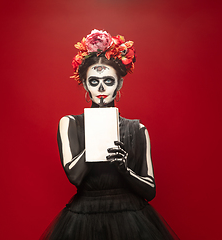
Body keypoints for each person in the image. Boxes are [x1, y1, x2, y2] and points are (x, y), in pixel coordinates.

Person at [40, 29, 178, 240]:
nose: (102, 88)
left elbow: (150, 190)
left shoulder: (137, 129)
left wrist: (125, 170)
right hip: (84, 218)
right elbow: (75, 177)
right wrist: (96, 140)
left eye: (109, 81)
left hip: (131, 218)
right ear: (85, 85)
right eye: (94, 81)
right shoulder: (69, 123)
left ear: (119, 84)